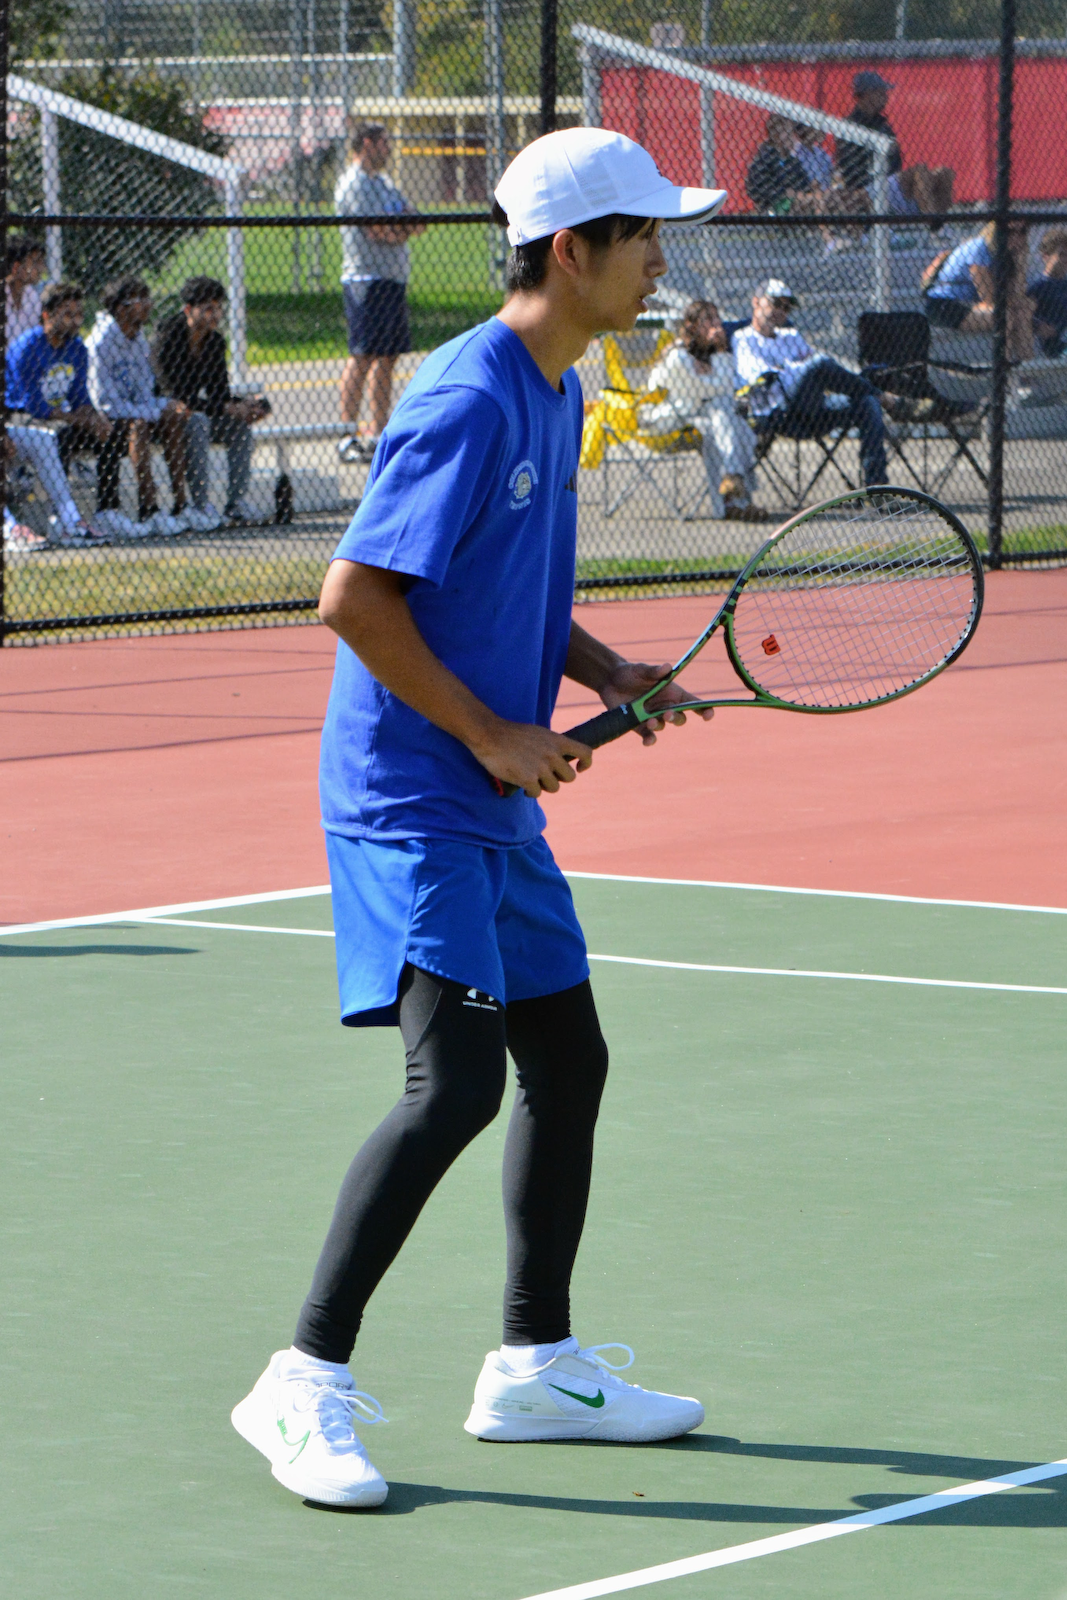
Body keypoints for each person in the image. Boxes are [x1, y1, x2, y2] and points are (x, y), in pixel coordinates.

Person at [231, 126, 727, 1509]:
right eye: (642, 236)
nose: (659, 260)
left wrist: (601, 670)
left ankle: (533, 1366)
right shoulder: (465, 398)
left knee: (567, 1061)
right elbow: (354, 598)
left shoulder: (556, 389)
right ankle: (300, 1381)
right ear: (571, 251)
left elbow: (498, 581)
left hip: (484, 797)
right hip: (411, 797)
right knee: (451, 1084)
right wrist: (492, 734)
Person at [732, 277, 888, 487]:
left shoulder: (790, 335)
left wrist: (796, 368)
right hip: (781, 413)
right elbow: (760, 376)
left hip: (814, 408)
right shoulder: (744, 338)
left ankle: (876, 486)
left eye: (786, 308)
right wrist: (801, 367)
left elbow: (809, 367)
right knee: (820, 364)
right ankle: (886, 398)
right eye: (776, 303)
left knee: (867, 402)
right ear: (756, 302)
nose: (781, 311)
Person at [335, 123, 426, 463]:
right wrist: (397, 230)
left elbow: (417, 222)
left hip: (392, 279)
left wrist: (397, 229)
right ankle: (346, 434)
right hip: (365, 280)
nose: (389, 149)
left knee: (388, 356)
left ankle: (378, 432)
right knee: (363, 354)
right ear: (368, 143)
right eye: (384, 143)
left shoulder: (385, 183)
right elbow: (376, 230)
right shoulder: (354, 183)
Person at [153, 276, 271, 529]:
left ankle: (236, 503)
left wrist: (245, 405)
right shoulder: (168, 336)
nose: (215, 315)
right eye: (208, 309)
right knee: (199, 422)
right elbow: (174, 393)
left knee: (238, 427)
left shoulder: (215, 342)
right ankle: (200, 505)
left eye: (218, 308)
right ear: (188, 309)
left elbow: (219, 394)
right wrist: (225, 407)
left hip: (198, 411)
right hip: (165, 416)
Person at [5, 280, 115, 544]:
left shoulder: (76, 348)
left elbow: (80, 398)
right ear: (47, 315)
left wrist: (94, 418)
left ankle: (107, 511)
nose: (76, 322)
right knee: (60, 434)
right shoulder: (27, 347)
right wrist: (77, 419)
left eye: (78, 315)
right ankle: (57, 520)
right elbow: (34, 406)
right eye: (68, 315)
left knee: (113, 431)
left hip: (59, 417)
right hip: (20, 415)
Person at [86, 276, 193, 538]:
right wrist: (156, 411)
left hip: (134, 413)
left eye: (147, 298)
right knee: (141, 426)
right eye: (140, 299)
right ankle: (149, 508)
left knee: (172, 418)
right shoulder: (100, 343)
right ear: (121, 308)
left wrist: (167, 405)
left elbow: (144, 395)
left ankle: (182, 505)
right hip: (103, 420)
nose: (148, 304)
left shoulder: (139, 339)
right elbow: (106, 404)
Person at [643, 299, 765, 519]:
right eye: (708, 319)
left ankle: (733, 499)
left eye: (717, 317)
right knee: (723, 416)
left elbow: (724, 388)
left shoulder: (713, 354)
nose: (716, 323)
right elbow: (703, 390)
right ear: (692, 326)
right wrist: (719, 360)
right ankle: (735, 494)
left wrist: (720, 351)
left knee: (727, 425)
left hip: (703, 416)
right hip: (670, 417)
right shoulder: (678, 355)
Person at [836, 70, 954, 226]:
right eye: (880, 92)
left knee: (944, 173)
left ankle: (941, 228)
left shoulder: (882, 124)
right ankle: (932, 225)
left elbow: (896, 163)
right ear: (867, 94)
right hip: (868, 187)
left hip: (888, 183)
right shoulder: (850, 126)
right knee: (919, 170)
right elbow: (851, 170)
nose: (885, 97)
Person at [923, 222, 1033, 360]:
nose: (1016, 237)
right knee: (1005, 316)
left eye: (1022, 231)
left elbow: (1017, 294)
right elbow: (988, 298)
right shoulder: (979, 247)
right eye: (1010, 231)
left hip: (972, 305)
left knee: (1023, 311)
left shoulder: (1006, 254)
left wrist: (1020, 264)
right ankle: (1004, 367)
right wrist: (1015, 302)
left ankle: (1027, 365)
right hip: (946, 305)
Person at [745, 114, 815, 215]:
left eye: (791, 132)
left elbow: (805, 183)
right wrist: (784, 193)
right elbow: (759, 190)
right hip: (772, 207)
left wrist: (802, 193)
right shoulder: (764, 158)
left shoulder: (791, 160)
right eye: (786, 132)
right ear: (775, 135)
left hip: (794, 203)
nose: (791, 137)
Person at [1027, 226, 1067, 359]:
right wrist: (1039, 325)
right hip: (1055, 346)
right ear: (1046, 256)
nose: (1066, 259)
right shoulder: (1038, 286)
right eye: (1061, 255)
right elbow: (1025, 314)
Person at [5, 235, 46, 345]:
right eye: (36, 262)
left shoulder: (32, 296)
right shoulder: (3, 294)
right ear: (16, 267)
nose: (42, 269)